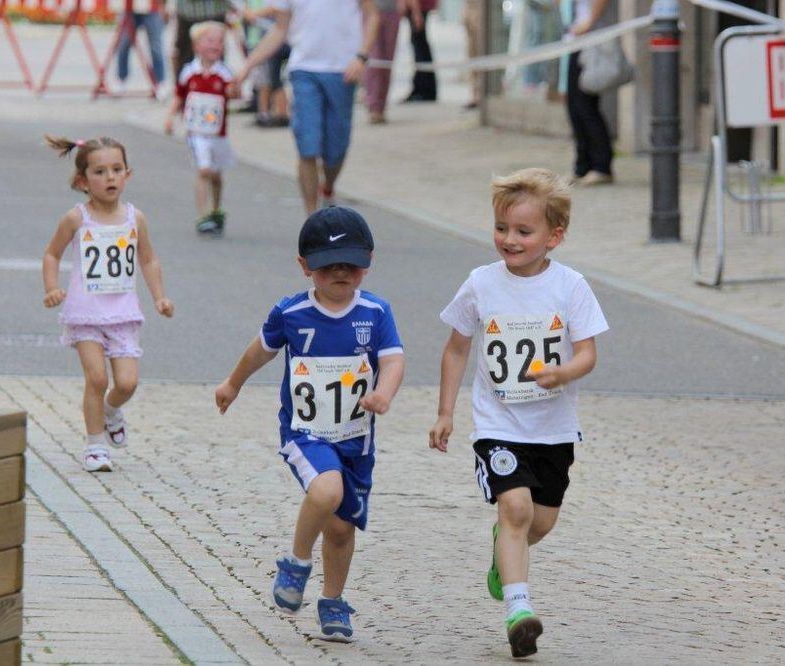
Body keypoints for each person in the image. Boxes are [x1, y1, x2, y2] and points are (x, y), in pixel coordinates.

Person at [428, 168, 608, 657]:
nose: (509, 240)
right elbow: (456, 348)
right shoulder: (480, 284)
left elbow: (588, 353)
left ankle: (502, 552)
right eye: (501, 228)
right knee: (516, 509)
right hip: (498, 425)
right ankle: (518, 612)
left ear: (554, 237)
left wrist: (564, 372)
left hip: (553, 429)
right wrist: (445, 413)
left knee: (540, 523)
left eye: (524, 231)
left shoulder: (571, 286)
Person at [214, 206, 404, 642]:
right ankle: (296, 562)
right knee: (326, 490)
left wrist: (384, 393)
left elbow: (394, 360)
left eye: (350, 264)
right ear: (304, 266)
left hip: (356, 440)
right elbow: (260, 350)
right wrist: (233, 383)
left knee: (340, 528)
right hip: (305, 432)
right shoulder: (292, 313)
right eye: (327, 265)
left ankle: (332, 600)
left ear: (368, 261)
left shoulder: (376, 312)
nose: (340, 272)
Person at [41, 135, 174, 473]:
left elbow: (148, 259)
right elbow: (52, 254)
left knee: (127, 383)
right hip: (85, 314)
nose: (110, 177)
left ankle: (111, 410)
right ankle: (95, 445)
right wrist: (52, 288)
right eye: (100, 172)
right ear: (82, 181)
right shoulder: (77, 218)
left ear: (128, 174)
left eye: (116, 169)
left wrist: (159, 296)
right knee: (97, 379)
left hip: (122, 313)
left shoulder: (134, 218)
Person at [232, 0, 379, 212]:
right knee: (307, 146)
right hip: (303, 70)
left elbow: (372, 16)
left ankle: (328, 187)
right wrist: (247, 67)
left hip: (342, 70)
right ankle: (312, 217)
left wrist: (361, 56)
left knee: (336, 150)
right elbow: (280, 29)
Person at [165, 21, 236, 235]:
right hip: (196, 132)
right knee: (203, 170)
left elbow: (234, 93)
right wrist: (170, 117)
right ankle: (203, 215)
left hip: (218, 133)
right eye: (210, 40)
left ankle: (216, 209)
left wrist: (235, 90)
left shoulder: (224, 73)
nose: (215, 45)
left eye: (220, 42)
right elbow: (179, 95)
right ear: (196, 45)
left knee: (216, 174)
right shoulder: (189, 72)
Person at [565, 0, 613, 186]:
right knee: (574, 107)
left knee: (585, 106)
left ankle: (601, 166)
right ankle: (582, 166)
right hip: (575, 40)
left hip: (590, 41)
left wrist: (589, 23)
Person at [365, 0, 421, 124]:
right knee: (375, 60)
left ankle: (381, 105)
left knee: (387, 61)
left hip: (391, 11)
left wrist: (414, 10)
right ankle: (373, 105)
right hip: (370, 10)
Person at [115, 0, 166, 94]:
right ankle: (121, 79)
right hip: (129, 8)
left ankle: (159, 81)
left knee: (156, 47)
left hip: (152, 8)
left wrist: (163, 7)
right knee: (123, 44)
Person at [171, 0, 228, 83]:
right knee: (185, 57)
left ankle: (218, 86)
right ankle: (183, 86)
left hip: (214, 11)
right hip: (188, 13)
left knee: (215, 54)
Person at [401, 0, 437, 103]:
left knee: (420, 47)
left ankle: (424, 89)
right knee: (420, 45)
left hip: (418, 6)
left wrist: (415, 10)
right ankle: (421, 88)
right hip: (419, 6)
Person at [461, 0, 483, 109]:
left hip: (481, 9)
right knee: (471, 54)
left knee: (482, 54)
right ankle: (474, 94)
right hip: (469, 8)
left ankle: (481, 93)